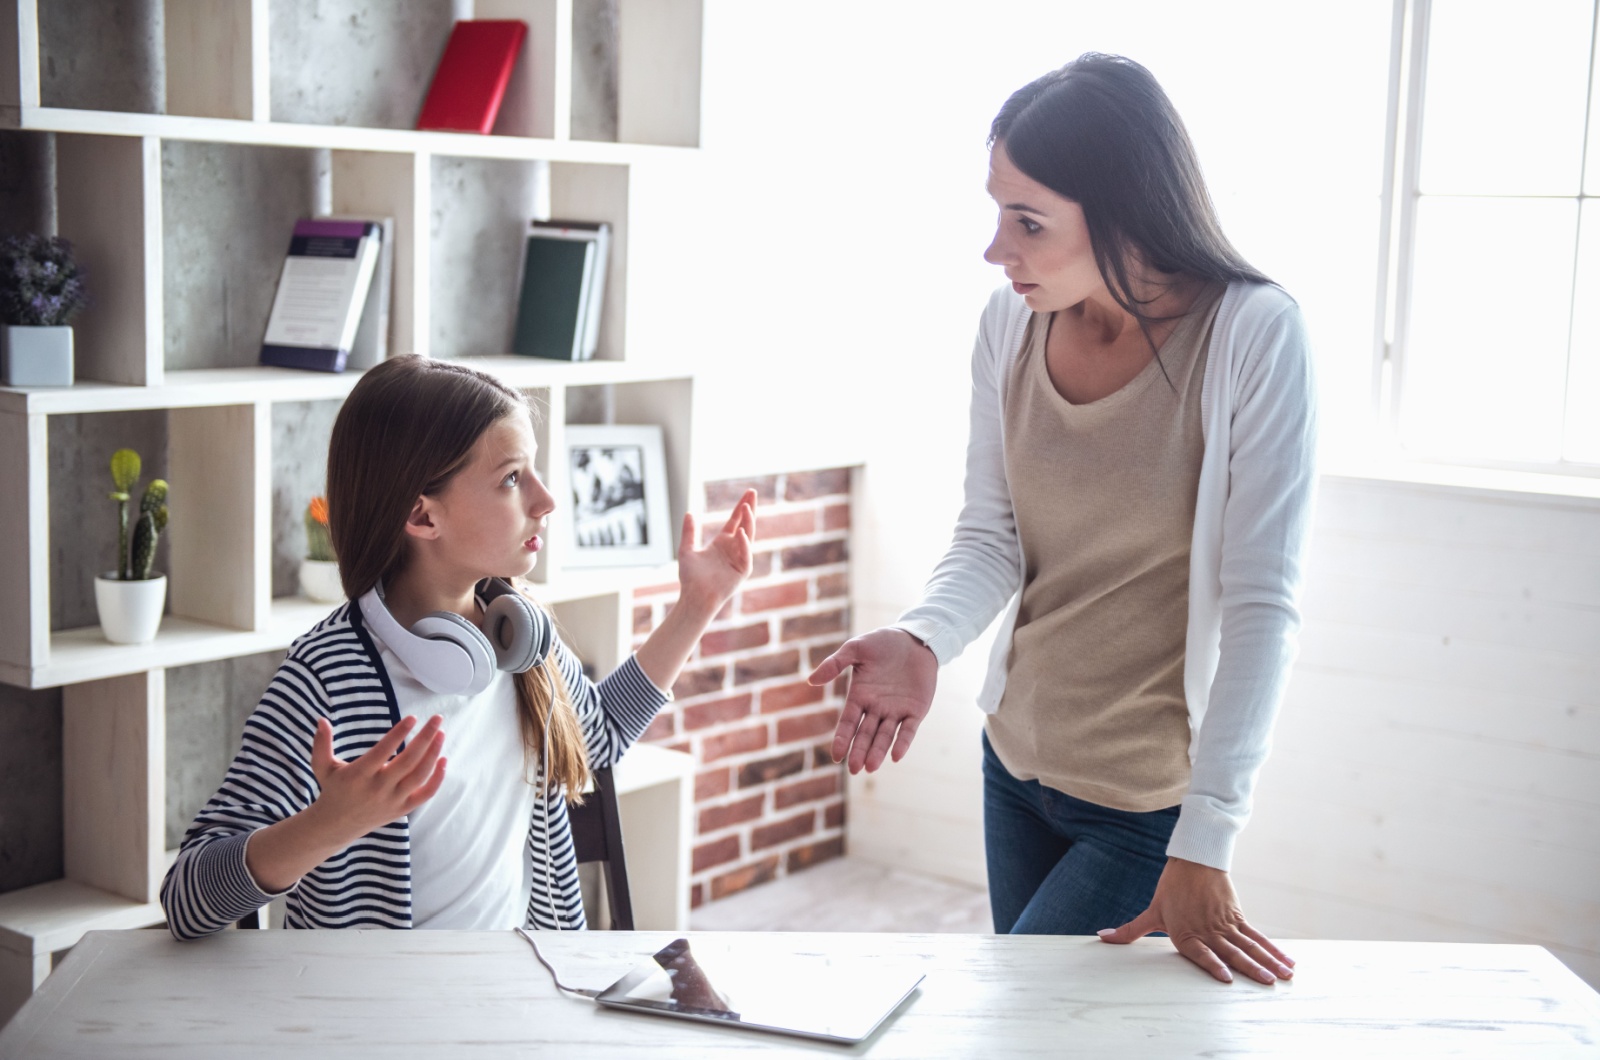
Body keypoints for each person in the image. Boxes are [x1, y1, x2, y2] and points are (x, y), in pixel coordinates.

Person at [811, 53, 1316, 986]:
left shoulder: (1252, 335)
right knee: (1045, 1026)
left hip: (1145, 805)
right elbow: (991, 536)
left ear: (1124, 211)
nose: (996, 249)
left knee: (1023, 1024)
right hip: (1018, 768)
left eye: (1028, 221)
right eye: (998, 210)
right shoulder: (1010, 327)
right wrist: (924, 640)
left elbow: (1262, 607)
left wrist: (1206, 838)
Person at [161, 355, 756, 937]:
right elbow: (187, 900)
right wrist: (326, 825)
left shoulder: (518, 637)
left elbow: (596, 736)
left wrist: (696, 606)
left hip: (524, 993)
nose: (547, 500)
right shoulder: (325, 679)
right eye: (512, 479)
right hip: (385, 1021)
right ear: (422, 516)